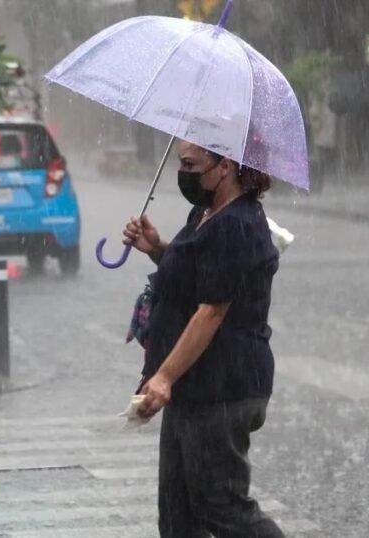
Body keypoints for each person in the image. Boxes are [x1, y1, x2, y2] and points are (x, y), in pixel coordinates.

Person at [122, 140, 285, 538]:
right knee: (178, 514)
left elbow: (211, 311)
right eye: (181, 163)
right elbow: (195, 273)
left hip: (223, 387)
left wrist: (163, 377)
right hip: (193, 386)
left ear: (224, 165)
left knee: (222, 507)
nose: (185, 173)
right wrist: (157, 248)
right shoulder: (206, 213)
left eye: (191, 163)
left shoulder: (237, 224)